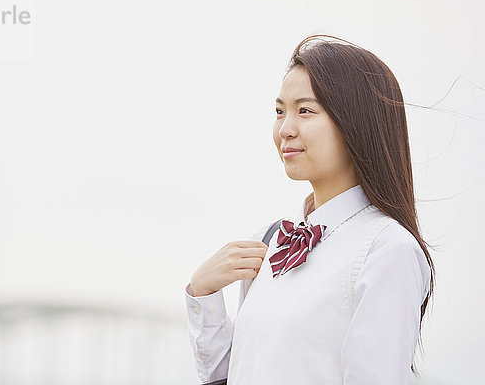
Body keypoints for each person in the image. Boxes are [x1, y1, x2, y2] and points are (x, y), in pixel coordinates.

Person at [184, 34, 436, 385]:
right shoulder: (271, 241)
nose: (285, 129)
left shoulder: (387, 249)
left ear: (355, 122)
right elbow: (239, 373)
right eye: (279, 111)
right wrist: (203, 294)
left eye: (304, 111)